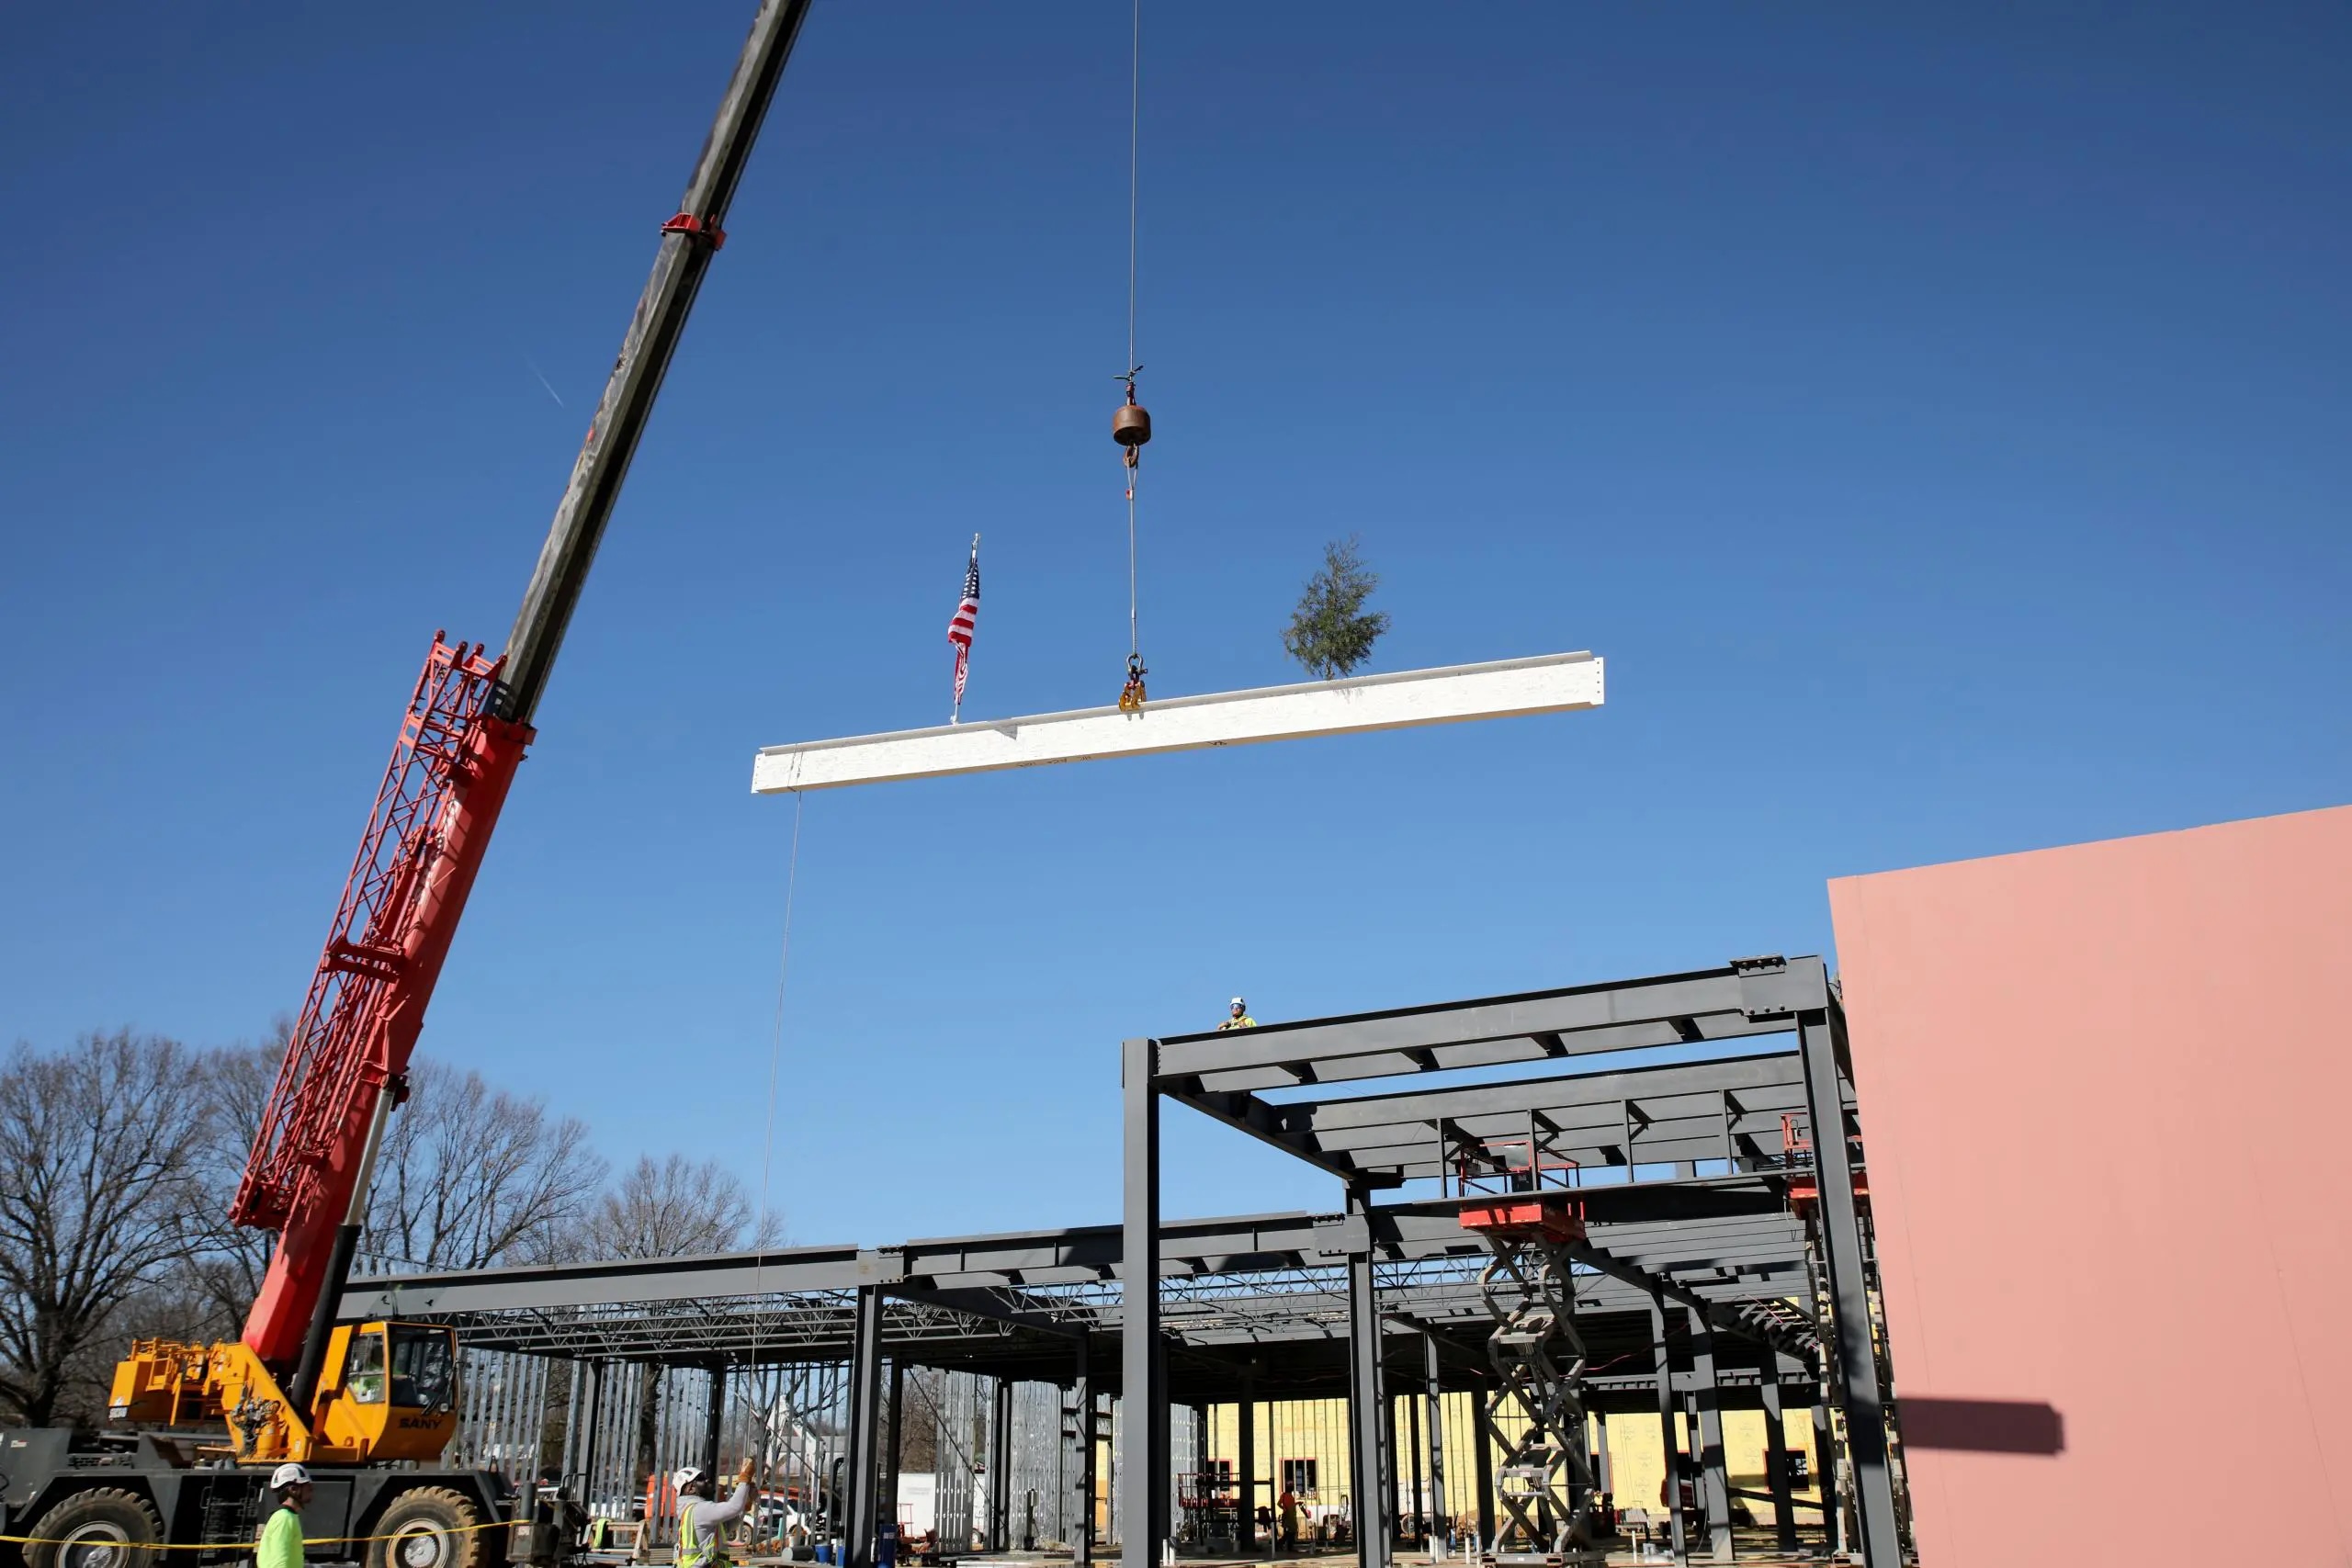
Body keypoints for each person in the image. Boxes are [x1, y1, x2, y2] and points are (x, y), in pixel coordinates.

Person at [675, 1458, 758, 1568]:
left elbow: (727, 1526)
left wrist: (746, 1503)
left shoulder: (693, 1510)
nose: (707, 1480)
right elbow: (734, 1507)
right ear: (690, 1489)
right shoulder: (700, 1509)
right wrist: (745, 1477)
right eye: (701, 1479)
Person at [255, 1463, 311, 1568]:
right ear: (293, 1489)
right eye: (307, 1486)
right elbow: (279, 1562)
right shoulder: (284, 1518)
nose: (311, 1490)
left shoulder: (289, 1516)